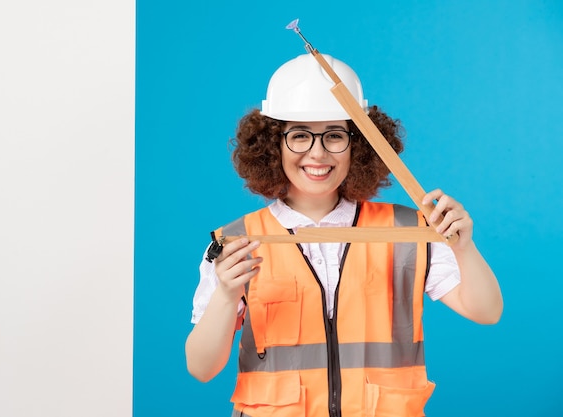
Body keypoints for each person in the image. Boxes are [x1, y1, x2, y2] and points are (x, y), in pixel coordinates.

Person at [185, 53, 503, 417]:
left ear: (360, 145)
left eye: (335, 136)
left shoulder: (409, 231)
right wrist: (226, 296)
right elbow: (201, 368)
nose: (317, 153)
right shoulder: (237, 241)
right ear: (272, 144)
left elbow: (487, 311)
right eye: (299, 136)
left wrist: (464, 248)